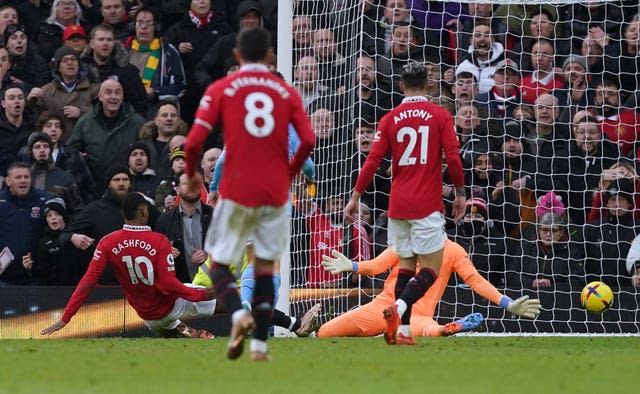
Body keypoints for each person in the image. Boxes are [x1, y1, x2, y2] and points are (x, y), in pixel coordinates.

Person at [184, 26, 314, 361]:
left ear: (238, 56)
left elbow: (199, 143)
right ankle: (259, 345)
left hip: (236, 192)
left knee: (222, 266)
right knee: (265, 267)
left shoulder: (225, 89)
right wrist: (294, 174)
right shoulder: (285, 95)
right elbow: (308, 146)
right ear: (269, 55)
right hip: (273, 195)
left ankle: (240, 314)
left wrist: (201, 182)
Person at [344, 62, 466, 345]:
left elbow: (372, 161)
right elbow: (454, 157)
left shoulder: (389, 119)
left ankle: (403, 331)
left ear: (401, 86)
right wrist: (460, 194)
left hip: (397, 204)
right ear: (429, 84)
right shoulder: (440, 115)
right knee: (431, 269)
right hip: (426, 202)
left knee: (407, 266)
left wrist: (355, 197)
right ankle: (398, 310)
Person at [41, 192, 217, 339]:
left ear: (123, 214)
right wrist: (200, 294)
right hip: (171, 306)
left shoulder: (107, 242)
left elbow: (88, 280)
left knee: (172, 330)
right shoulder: (159, 241)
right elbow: (168, 283)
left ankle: (187, 332)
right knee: (223, 299)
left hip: (147, 317)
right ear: (143, 212)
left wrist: (66, 317)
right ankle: (243, 315)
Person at [317, 239, 541, 338]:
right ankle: (439, 330)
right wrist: (352, 265)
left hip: (413, 314)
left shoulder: (452, 250)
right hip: (384, 308)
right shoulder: (407, 243)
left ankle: (447, 329)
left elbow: (476, 281)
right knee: (325, 332)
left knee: (431, 330)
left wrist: (507, 302)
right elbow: (377, 266)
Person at [0, 162, 47, 286]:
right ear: (8, 181)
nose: (23, 181)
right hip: (4, 277)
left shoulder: (43, 200)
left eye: (26, 177)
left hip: (35, 277)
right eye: (18, 177)